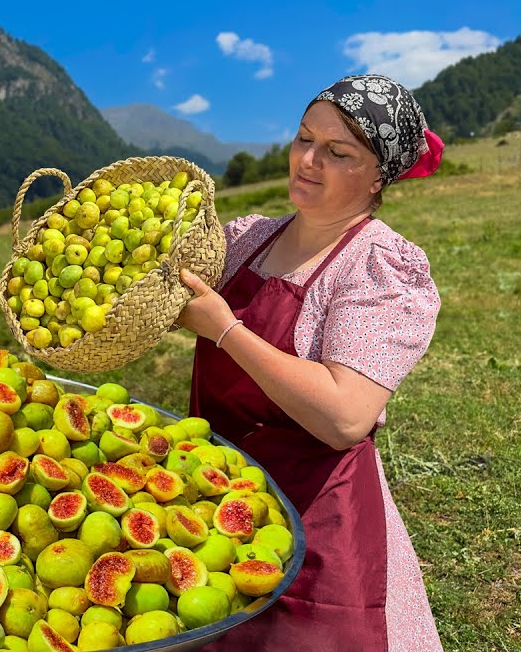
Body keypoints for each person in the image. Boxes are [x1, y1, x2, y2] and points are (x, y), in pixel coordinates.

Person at [177, 74, 443, 651]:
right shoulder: (248, 241)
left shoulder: (378, 267)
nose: (308, 160)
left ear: (379, 175)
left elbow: (346, 416)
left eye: (337, 152)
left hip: (318, 519)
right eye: (304, 139)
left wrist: (226, 329)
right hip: (213, 498)